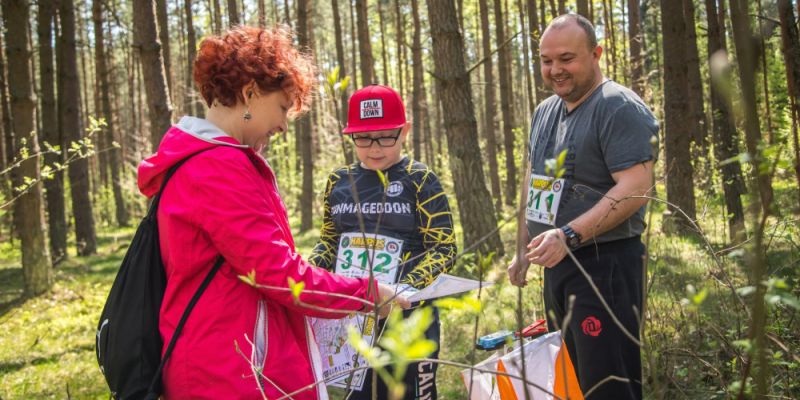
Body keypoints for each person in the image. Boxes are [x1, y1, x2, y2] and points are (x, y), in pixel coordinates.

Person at [137, 26, 408, 400]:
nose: (283, 124)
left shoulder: (200, 161)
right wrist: (367, 293)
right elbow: (279, 274)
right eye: (282, 107)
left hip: (223, 358)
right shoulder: (218, 168)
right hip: (230, 372)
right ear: (250, 93)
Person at [507, 14, 659, 399]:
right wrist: (523, 249)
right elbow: (535, 181)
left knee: (607, 385)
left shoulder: (617, 106)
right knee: (574, 382)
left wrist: (570, 234)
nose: (555, 70)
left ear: (596, 53)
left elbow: (636, 186)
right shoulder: (545, 112)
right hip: (558, 267)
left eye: (567, 58)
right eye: (546, 60)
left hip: (604, 266)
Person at [309, 84, 456, 400]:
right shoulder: (338, 181)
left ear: (405, 131)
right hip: (354, 319)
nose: (374, 148)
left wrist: (403, 290)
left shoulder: (420, 180)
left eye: (386, 136)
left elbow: (444, 247)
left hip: (409, 319)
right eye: (362, 138)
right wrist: (310, 272)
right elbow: (329, 242)